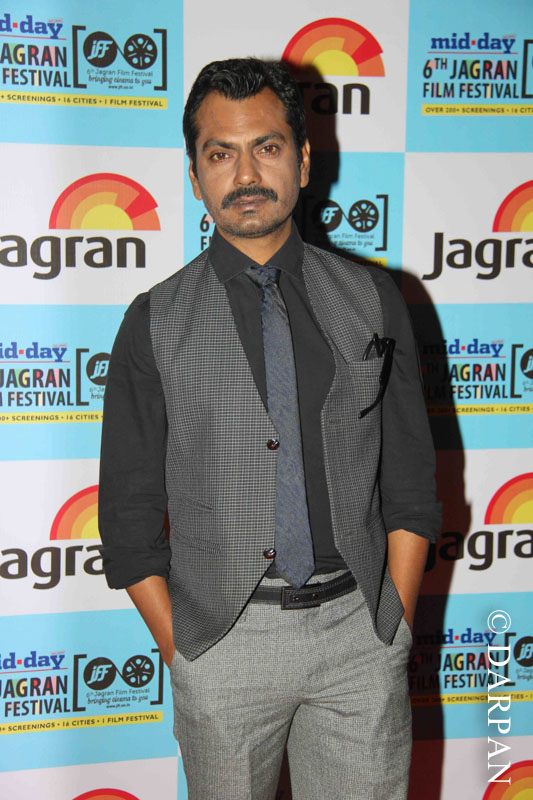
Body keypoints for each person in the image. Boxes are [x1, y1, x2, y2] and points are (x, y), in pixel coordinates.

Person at [99, 57, 441, 800]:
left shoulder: (374, 298)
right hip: (223, 640)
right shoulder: (152, 321)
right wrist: (185, 651)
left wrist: (392, 623)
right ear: (194, 174)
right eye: (220, 153)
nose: (246, 173)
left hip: (359, 631)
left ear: (304, 161)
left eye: (267, 146)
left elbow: (412, 482)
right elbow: (126, 517)